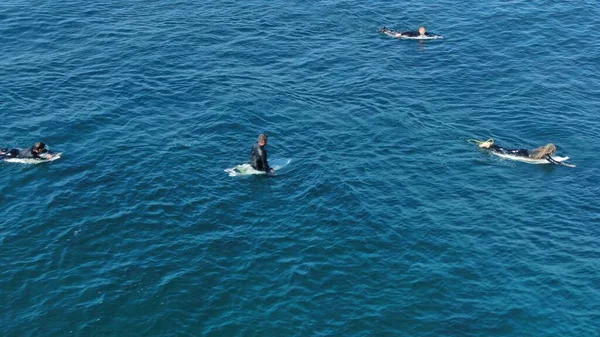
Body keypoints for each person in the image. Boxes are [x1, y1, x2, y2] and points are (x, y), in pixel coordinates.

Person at [478, 139, 565, 165]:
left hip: (522, 150)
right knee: (503, 153)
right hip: (522, 154)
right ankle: (489, 146)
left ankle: (491, 145)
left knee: (505, 150)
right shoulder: (546, 155)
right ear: (551, 151)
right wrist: (566, 164)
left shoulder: (542, 149)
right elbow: (553, 162)